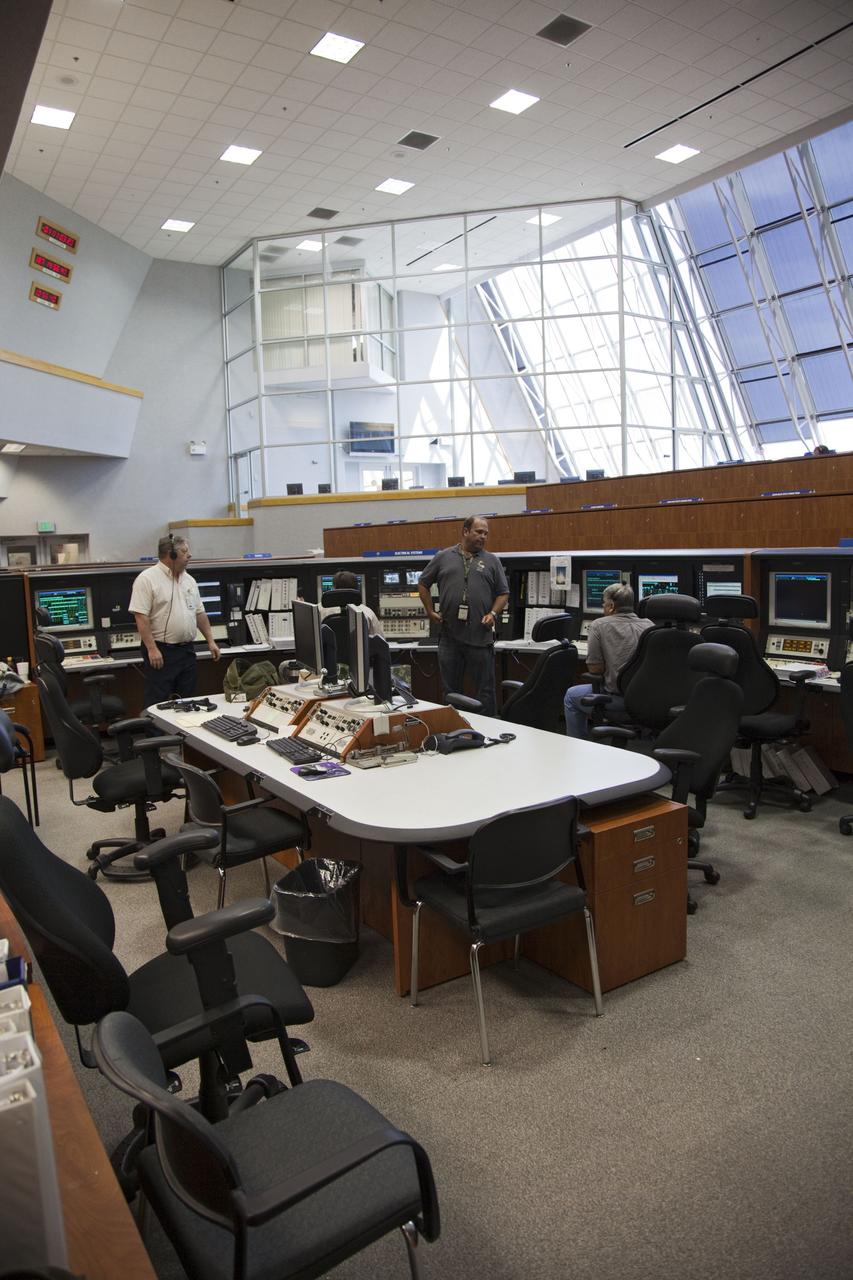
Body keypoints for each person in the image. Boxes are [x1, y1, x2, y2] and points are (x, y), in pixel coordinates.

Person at [418, 516, 508, 718]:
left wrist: (493, 613)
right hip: (450, 638)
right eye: (478, 532)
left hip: (480, 637)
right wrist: (430, 611)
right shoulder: (443, 557)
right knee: (451, 692)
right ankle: (453, 729)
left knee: (485, 691)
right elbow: (423, 583)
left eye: (486, 533)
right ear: (465, 531)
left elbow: (503, 593)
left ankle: (488, 731)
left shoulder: (492, 561)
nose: (483, 536)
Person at [130, 534, 220, 706]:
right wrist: (152, 649)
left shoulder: (189, 580)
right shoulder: (147, 579)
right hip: (161, 651)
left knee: (187, 700)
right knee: (158, 702)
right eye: (184, 551)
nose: (189, 555)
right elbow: (141, 617)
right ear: (170, 554)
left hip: (186, 651)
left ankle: (182, 733)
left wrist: (211, 641)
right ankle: (156, 734)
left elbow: (199, 613)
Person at [563, 582, 652, 739]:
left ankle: (577, 746)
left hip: (617, 699)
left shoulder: (599, 625)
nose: (603, 607)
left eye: (604, 603)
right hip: (645, 700)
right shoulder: (649, 626)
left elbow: (595, 669)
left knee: (571, 696)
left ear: (611, 606)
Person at [320, 570, 384, 637]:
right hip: (359, 647)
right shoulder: (367, 613)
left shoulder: (319, 610)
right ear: (356, 589)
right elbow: (380, 642)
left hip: (328, 647)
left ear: (334, 588)